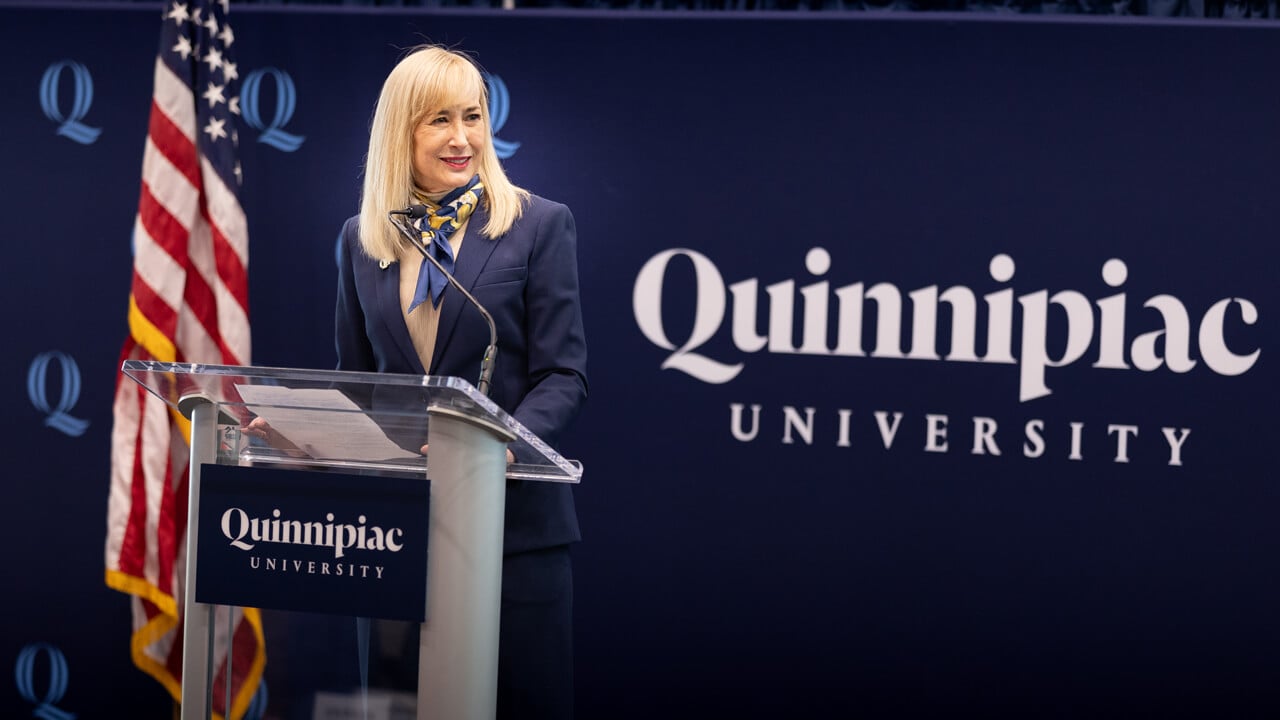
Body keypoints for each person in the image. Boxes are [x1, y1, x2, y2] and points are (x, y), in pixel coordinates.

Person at [334, 44, 588, 719]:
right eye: (438, 120)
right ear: (400, 132)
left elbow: (563, 375)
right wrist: (313, 439)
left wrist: (500, 444)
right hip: (393, 538)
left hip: (514, 540)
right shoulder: (362, 239)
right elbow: (358, 383)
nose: (461, 138)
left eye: (472, 116)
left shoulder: (538, 225)